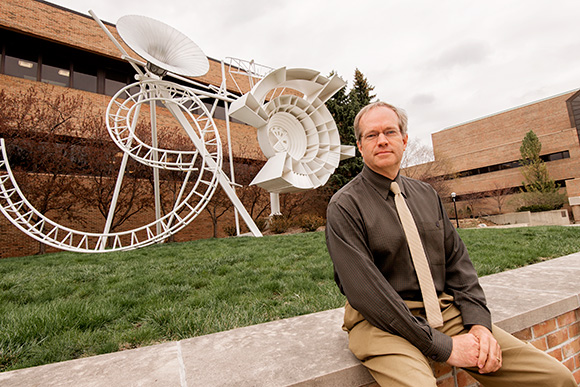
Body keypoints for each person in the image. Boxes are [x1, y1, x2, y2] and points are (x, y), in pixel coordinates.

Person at [325, 101, 576, 386]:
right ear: (359, 146)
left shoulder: (427, 195)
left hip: (444, 312)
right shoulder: (344, 206)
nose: (382, 140)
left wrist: (479, 324)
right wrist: (447, 348)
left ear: (404, 140)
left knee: (555, 378)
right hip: (381, 324)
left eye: (390, 132)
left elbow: (458, 264)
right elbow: (369, 295)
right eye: (371, 135)